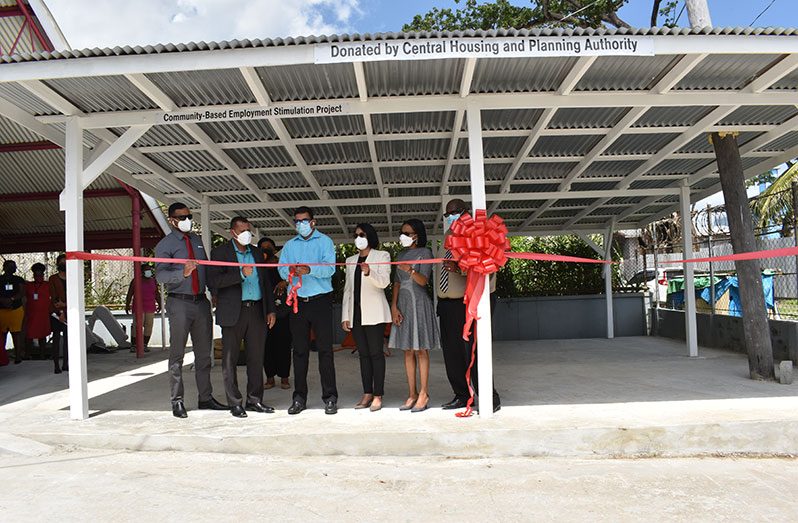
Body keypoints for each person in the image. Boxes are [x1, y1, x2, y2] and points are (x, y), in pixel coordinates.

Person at [155, 202, 226, 418]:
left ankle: (205, 398)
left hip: (201, 302)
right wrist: (182, 273)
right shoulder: (165, 245)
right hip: (179, 303)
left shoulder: (196, 241)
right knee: (177, 355)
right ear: (172, 220)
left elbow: (206, 268)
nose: (187, 220)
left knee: (204, 355)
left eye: (189, 216)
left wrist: (213, 291)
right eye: (182, 217)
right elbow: (160, 275)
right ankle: (177, 401)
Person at [435, 198, 501, 413]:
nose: (451, 217)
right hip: (447, 304)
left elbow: (486, 270)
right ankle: (461, 395)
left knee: (472, 351)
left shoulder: (478, 233)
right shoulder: (449, 236)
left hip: (468, 303)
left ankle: (489, 397)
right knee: (452, 353)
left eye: (454, 212)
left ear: (466, 211)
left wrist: (461, 269)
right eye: (448, 215)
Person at [208, 217, 277, 418]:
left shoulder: (256, 252)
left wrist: (270, 310)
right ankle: (235, 403)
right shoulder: (220, 253)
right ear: (232, 232)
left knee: (256, 358)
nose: (247, 233)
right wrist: (240, 274)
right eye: (243, 230)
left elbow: (265, 283)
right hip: (232, 312)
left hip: (256, 310)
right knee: (230, 359)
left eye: (249, 229)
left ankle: (255, 400)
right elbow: (214, 281)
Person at [278, 206, 338, 415]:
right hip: (298, 302)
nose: (301, 224)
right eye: (297, 221)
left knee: (325, 351)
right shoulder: (289, 246)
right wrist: (291, 271)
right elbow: (281, 268)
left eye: (304, 220)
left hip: (320, 302)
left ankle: (330, 398)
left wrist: (310, 269)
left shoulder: (325, 242)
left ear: (313, 222)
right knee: (300, 351)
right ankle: (299, 398)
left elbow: (330, 268)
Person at [388, 219, 440, 412]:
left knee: (421, 350)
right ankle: (412, 393)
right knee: (407, 350)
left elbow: (423, 281)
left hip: (419, 303)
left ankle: (424, 393)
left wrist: (410, 270)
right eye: (402, 232)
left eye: (407, 233)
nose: (403, 236)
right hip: (402, 304)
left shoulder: (425, 253)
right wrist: (394, 306)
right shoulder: (401, 254)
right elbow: (396, 283)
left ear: (417, 235)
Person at [341, 223, 391, 412]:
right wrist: (345, 315)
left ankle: (378, 395)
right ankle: (367, 393)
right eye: (356, 235)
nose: (358, 238)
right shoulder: (350, 260)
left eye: (362, 234)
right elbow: (347, 289)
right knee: (363, 355)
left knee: (376, 354)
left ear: (370, 236)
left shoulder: (382, 256)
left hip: (375, 313)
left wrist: (369, 272)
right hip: (356, 314)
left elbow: (384, 283)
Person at [258, 237, 292, 390]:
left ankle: (285, 378)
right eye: (263, 247)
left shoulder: (282, 263)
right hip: (263, 311)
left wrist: (285, 282)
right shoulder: (257, 265)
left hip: (283, 311)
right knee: (266, 346)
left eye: (269, 247)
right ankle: (270, 378)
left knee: (283, 345)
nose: (266, 249)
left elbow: (293, 278)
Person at [125, 263, 162, 352]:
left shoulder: (153, 281)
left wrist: (160, 304)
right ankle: (134, 345)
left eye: (149, 269)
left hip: (150, 306)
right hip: (138, 307)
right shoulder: (135, 281)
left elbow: (157, 293)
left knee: (149, 326)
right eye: (146, 269)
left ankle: (145, 344)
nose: (149, 271)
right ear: (142, 271)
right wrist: (127, 305)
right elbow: (130, 293)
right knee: (137, 326)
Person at [23, 263, 52, 360]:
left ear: (43, 275)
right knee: (29, 335)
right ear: (34, 275)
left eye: (40, 275)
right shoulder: (28, 285)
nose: (38, 277)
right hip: (31, 313)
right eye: (36, 275)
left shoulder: (48, 285)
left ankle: (42, 354)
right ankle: (27, 354)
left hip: (43, 314)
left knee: (42, 334)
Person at [0, 260, 26, 366]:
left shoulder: (18, 279)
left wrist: (11, 299)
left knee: (16, 333)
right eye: (10, 266)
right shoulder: (0, 279)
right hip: (1, 309)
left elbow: (22, 292)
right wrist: (2, 300)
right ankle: (3, 357)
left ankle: (18, 356)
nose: (12, 268)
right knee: (2, 335)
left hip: (16, 309)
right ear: (4, 267)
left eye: (13, 266)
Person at [49, 254, 68, 373]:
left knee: (68, 339)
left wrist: (65, 306)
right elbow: (53, 297)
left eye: (66, 262)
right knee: (56, 339)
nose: (64, 265)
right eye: (62, 263)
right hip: (56, 313)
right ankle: (56, 365)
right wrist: (60, 311)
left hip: (70, 311)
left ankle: (66, 364)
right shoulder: (53, 278)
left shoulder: (73, 276)